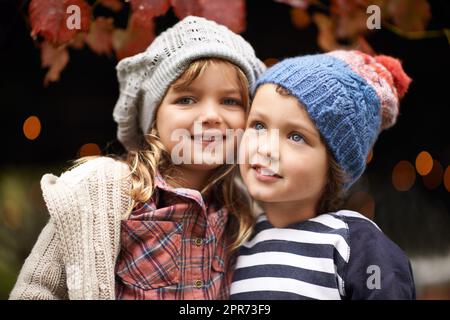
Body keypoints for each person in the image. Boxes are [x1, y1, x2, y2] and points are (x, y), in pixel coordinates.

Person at [10, 16, 265, 300]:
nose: (211, 116)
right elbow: (36, 290)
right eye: (186, 100)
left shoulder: (244, 208)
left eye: (230, 101)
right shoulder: (103, 193)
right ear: (153, 116)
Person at [230, 50, 416, 300]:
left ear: (335, 167)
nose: (266, 149)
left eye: (296, 136)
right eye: (259, 125)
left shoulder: (355, 245)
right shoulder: (235, 240)